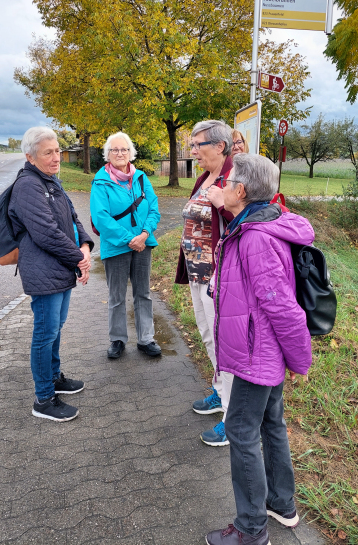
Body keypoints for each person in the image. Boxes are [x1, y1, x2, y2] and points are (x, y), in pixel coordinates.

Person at [205, 153, 313, 545]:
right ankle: (281, 505)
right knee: (270, 424)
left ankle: (251, 530)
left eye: (229, 179)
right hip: (263, 349)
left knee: (239, 428)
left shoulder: (254, 238)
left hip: (258, 355)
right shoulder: (252, 226)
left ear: (241, 190)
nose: (224, 184)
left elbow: (282, 307)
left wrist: (300, 358)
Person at [8, 127, 94, 422]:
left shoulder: (52, 181)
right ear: (30, 157)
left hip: (59, 268)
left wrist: (84, 245)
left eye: (57, 150)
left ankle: (55, 377)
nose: (56, 156)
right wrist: (79, 260)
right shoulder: (28, 186)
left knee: (56, 328)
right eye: (49, 152)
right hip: (43, 271)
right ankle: (44, 399)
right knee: (45, 334)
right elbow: (46, 233)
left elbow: (72, 218)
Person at [175, 119, 234, 446]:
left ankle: (233, 416)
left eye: (199, 145)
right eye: (193, 144)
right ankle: (219, 391)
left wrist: (221, 203)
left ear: (220, 146)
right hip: (198, 273)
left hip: (220, 277)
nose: (193, 150)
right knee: (208, 335)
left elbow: (249, 220)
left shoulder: (235, 176)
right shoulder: (205, 176)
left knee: (224, 342)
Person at [90, 131, 161, 359]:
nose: (120, 153)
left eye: (124, 149)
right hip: (116, 246)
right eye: (115, 150)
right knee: (117, 296)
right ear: (107, 154)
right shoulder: (101, 181)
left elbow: (153, 209)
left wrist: (143, 234)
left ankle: (146, 339)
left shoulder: (141, 178)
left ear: (131, 153)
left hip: (143, 243)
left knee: (143, 293)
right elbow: (100, 217)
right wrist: (128, 239)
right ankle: (118, 340)